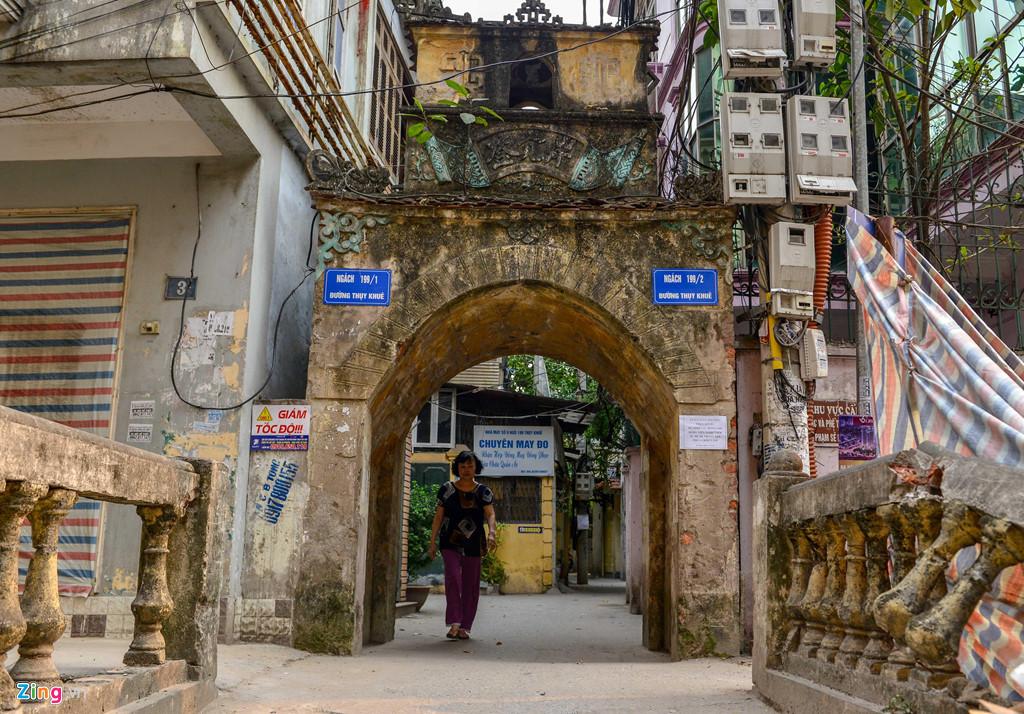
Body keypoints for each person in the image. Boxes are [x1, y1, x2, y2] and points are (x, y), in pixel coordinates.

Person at [428, 450, 496, 641]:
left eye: (470, 466)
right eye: (463, 466)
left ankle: (465, 626)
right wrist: (432, 541)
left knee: (470, 586)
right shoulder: (447, 489)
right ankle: (455, 622)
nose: (466, 469)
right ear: (457, 467)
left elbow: (490, 514)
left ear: (476, 468)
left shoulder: (483, 492)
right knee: (453, 578)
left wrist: (492, 532)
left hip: (475, 543)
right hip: (449, 541)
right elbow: (438, 516)